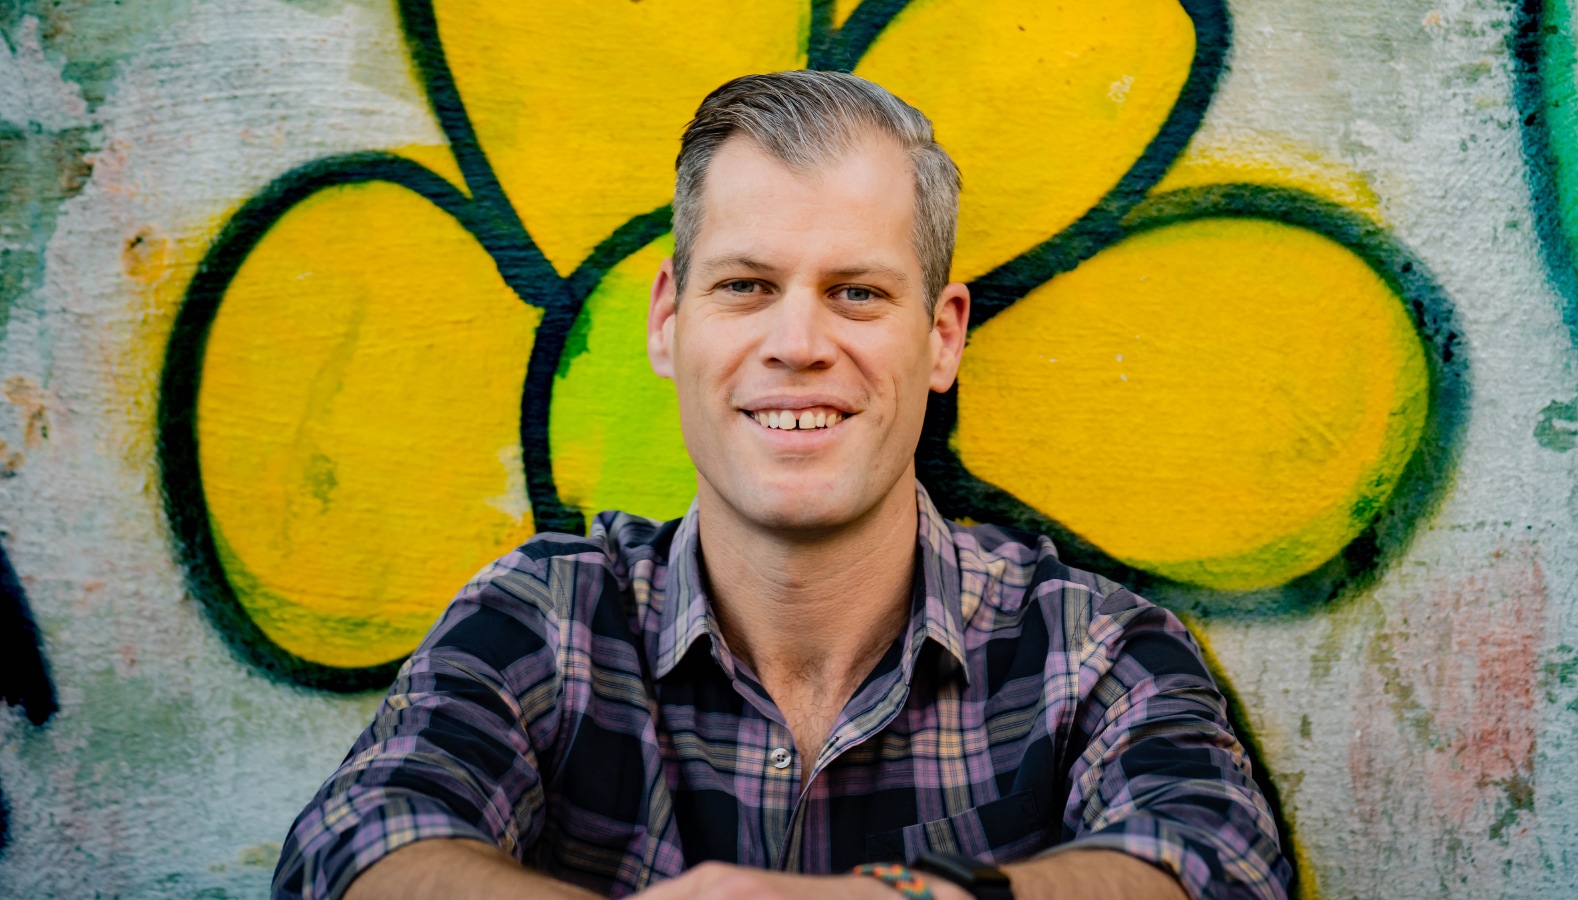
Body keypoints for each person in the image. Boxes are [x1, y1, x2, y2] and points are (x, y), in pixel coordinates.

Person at [273, 70, 1291, 900]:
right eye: (746, 287)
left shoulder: (1090, 652)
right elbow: (355, 850)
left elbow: (1219, 863)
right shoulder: (544, 622)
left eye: (856, 293)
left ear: (941, 338)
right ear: (669, 321)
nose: (797, 344)